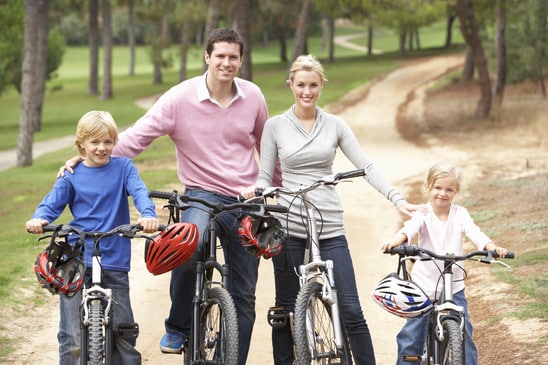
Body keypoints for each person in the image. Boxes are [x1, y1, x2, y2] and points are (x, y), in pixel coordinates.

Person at [59, 28, 280, 364]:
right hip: (201, 194)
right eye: (220, 55)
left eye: (233, 57)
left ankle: (232, 358)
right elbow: (138, 136)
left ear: (241, 60)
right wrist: (93, 158)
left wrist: (274, 187)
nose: (226, 62)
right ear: (207, 57)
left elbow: (266, 147)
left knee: (244, 294)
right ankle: (179, 326)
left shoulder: (253, 96)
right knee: (186, 243)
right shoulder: (179, 99)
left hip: (244, 198)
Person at [240, 54, 421, 365]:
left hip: (329, 227)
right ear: (291, 85)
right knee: (285, 307)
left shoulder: (336, 125)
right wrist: (257, 190)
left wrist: (398, 200)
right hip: (291, 226)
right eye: (300, 85)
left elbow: (366, 166)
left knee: (350, 308)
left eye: (313, 85)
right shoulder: (275, 127)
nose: (306, 91)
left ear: (321, 85)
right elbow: (265, 175)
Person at [26, 110, 160, 365]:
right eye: (94, 142)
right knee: (72, 337)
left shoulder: (123, 167)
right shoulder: (72, 175)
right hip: (76, 258)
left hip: (114, 258)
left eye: (107, 142)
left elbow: (140, 192)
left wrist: (147, 214)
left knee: (123, 331)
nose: (101, 148)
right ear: (81, 145)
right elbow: (51, 204)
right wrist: (39, 218)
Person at [381, 163, 509, 365]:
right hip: (423, 287)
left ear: (456, 191)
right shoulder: (423, 213)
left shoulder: (460, 214)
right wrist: (396, 242)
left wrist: (490, 246)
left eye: (449, 189)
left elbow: (474, 232)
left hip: (454, 286)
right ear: (428, 187)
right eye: (437, 188)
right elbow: (410, 229)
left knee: (464, 333)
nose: (443, 193)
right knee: (412, 337)